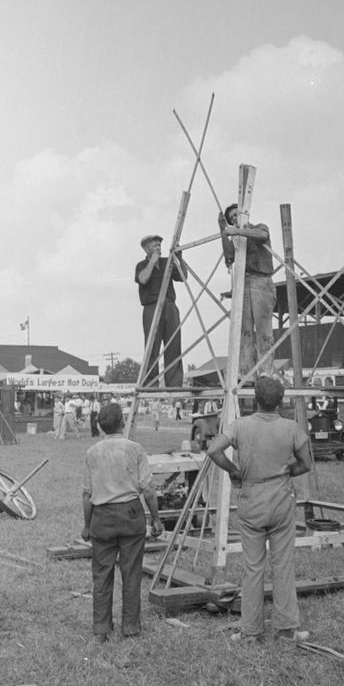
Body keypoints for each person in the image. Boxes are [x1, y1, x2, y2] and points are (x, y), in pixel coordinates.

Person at [207, 375, 312, 644]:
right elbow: (306, 464)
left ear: (255, 400)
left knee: (252, 568)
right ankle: (287, 629)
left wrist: (233, 470)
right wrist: (288, 469)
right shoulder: (291, 427)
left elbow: (213, 449)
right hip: (281, 499)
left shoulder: (240, 426)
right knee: (283, 565)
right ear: (281, 401)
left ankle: (251, 632)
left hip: (251, 498)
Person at [81, 403, 163, 643]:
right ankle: (130, 627)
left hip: (102, 517)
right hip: (130, 515)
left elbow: (87, 494)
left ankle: (101, 629)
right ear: (123, 422)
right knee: (132, 573)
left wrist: (87, 525)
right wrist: (156, 519)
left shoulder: (92, 452)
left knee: (102, 575)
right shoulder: (135, 449)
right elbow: (147, 489)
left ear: (99, 425)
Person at [219, 203, 276, 379]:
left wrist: (237, 232)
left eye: (237, 214)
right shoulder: (236, 239)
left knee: (263, 329)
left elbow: (262, 236)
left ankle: (265, 370)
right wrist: (223, 230)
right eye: (233, 218)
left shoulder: (258, 227)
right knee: (244, 331)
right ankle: (247, 372)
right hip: (243, 283)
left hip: (261, 280)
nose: (236, 218)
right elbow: (229, 256)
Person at [135, 234, 187, 387]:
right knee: (152, 346)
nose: (158, 247)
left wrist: (179, 258)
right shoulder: (141, 265)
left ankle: (175, 382)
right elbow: (143, 279)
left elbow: (183, 277)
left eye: (159, 245)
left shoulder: (168, 262)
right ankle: (151, 382)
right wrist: (152, 262)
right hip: (151, 307)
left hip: (169, 305)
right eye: (154, 245)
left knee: (174, 345)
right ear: (146, 249)